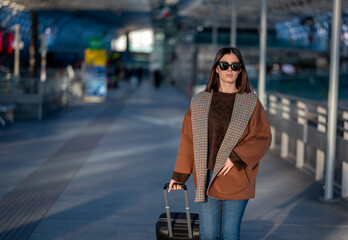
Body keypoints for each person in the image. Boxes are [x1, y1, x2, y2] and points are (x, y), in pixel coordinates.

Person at [168, 47, 272, 240]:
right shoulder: (199, 101)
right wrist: (179, 176)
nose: (229, 69)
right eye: (224, 65)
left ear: (241, 70)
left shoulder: (251, 102)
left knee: (230, 234)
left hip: (237, 174)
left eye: (235, 65)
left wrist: (235, 158)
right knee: (208, 234)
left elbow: (262, 137)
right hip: (205, 174)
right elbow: (188, 140)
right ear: (216, 68)